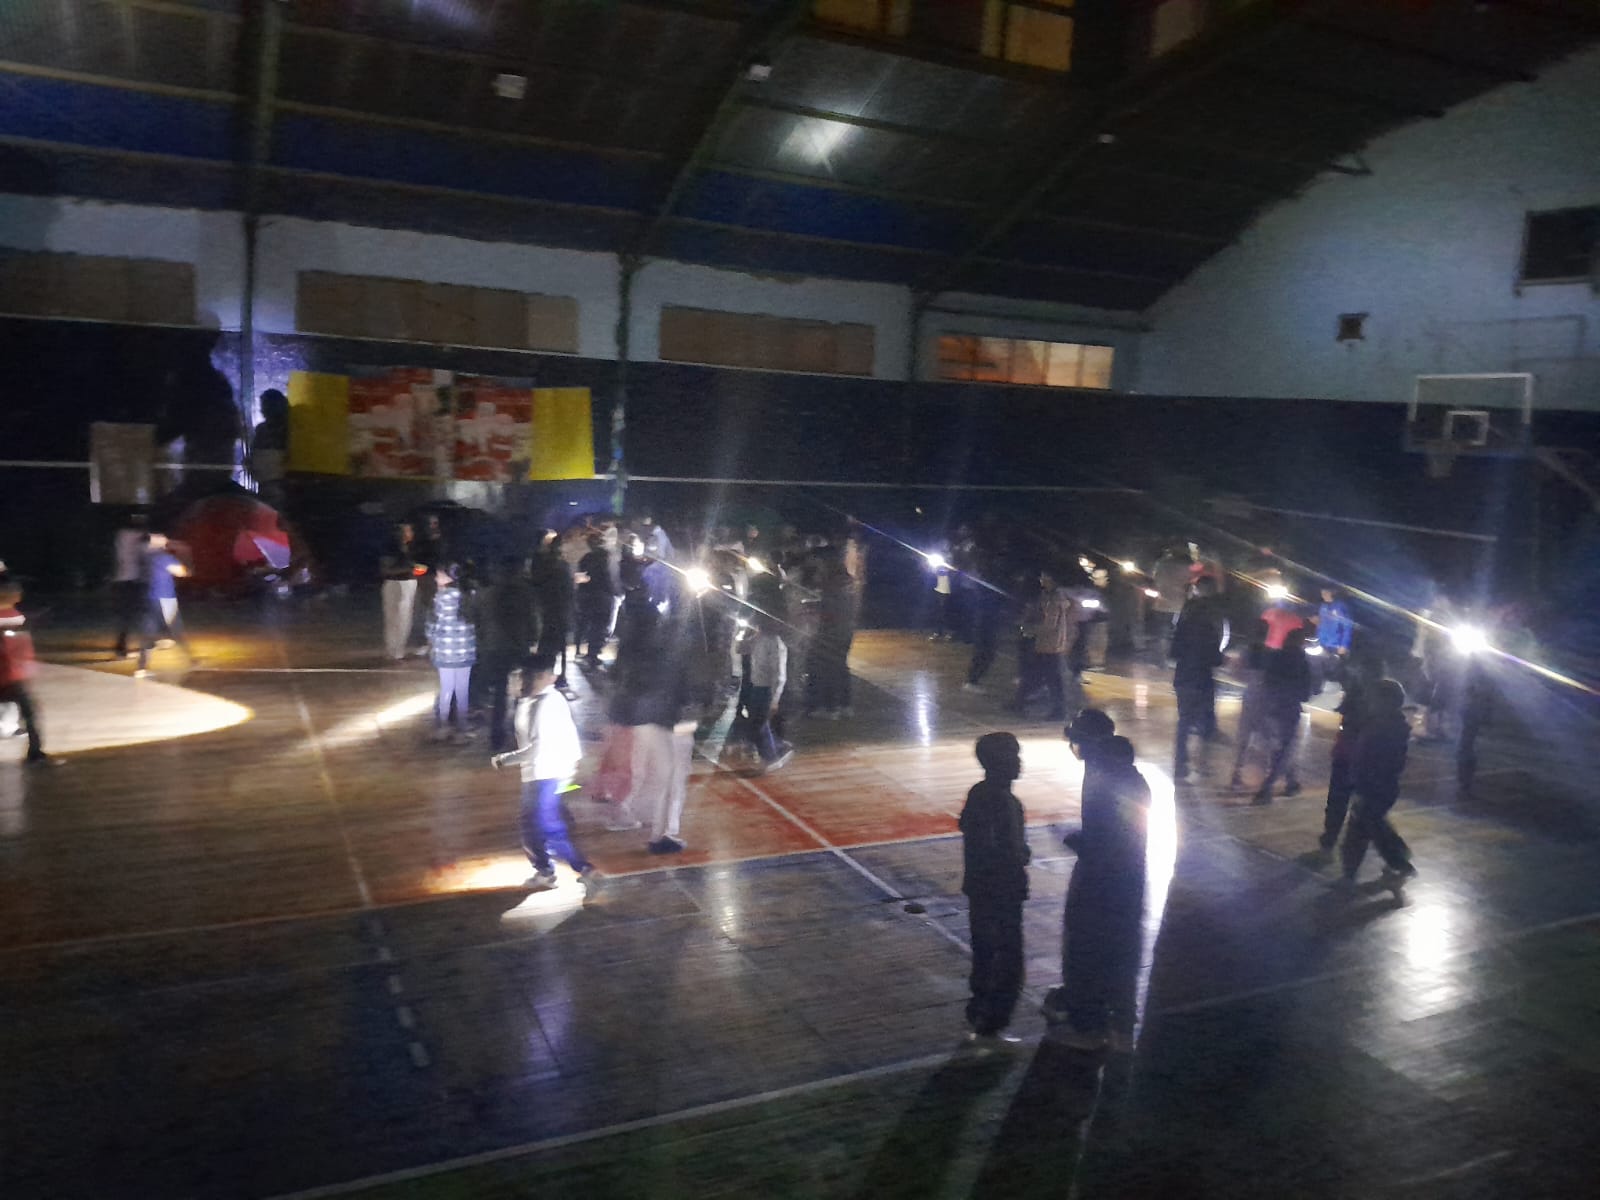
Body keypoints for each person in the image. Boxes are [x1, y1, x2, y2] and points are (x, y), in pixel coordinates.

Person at [1047, 725, 1148, 1052]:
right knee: (1122, 954)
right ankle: (1120, 1026)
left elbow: (1107, 841)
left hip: (1103, 886)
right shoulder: (1132, 784)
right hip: (1125, 886)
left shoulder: (1110, 789)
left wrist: (1074, 840)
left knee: (1089, 951)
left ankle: (1090, 1028)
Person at [490, 653, 595, 893]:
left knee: (540, 825)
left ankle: (574, 869)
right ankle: (555, 869)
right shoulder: (535, 700)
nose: (513, 683)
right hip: (548, 772)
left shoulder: (545, 703)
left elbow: (537, 748)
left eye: (517, 678)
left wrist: (504, 760)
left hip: (545, 773)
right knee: (542, 823)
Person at [959, 732, 1029, 1049]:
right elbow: (1006, 850)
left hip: (981, 888)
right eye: (1013, 757)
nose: (1019, 763)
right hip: (1000, 889)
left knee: (986, 952)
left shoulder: (979, 794)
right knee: (1005, 956)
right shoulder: (1004, 803)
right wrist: (1020, 856)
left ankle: (980, 1013)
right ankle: (992, 1022)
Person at [1338, 678, 1416, 889]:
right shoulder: (1384, 724)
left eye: (1374, 698)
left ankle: (1398, 862)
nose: (1370, 701)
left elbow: (1375, 760)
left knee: (1365, 829)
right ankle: (1397, 861)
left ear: (1385, 701)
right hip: (1375, 786)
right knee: (1370, 827)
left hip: (1374, 786)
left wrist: (1362, 783)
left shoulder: (1385, 729)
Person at [1314, 653, 1380, 855]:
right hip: (1365, 757)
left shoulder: (1358, 693)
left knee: (1338, 799)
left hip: (1349, 753)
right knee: (1361, 804)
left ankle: (1330, 838)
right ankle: (1352, 843)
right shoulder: (1377, 697)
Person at [1169, 577, 1227, 783]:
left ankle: (1181, 762)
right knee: (1205, 719)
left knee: (1184, 720)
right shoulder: (1210, 625)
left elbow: (1173, 651)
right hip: (1202, 678)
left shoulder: (1184, 621)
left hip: (1183, 675)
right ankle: (1202, 764)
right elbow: (1216, 657)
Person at [0, 577, 63, 767]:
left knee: (29, 713)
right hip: (12, 677)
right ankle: (35, 754)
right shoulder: (17, 618)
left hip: (11, 676)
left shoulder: (17, 617)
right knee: (30, 714)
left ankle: (35, 752)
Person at [477, 557, 537, 753]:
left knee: (499, 694)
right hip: (518, 645)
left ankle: (497, 736)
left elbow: (479, 621)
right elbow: (532, 620)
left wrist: (483, 642)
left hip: (495, 647)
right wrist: (533, 639)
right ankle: (521, 732)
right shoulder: (524, 593)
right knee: (523, 691)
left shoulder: (488, 594)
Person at [1253, 627, 1315, 804]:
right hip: (1289, 708)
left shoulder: (1276, 657)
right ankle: (1267, 788)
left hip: (1271, 705)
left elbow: (1266, 680)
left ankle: (1291, 781)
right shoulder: (1302, 662)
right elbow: (1305, 693)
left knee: (1279, 747)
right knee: (1285, 748)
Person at [425, 563, 476, 743]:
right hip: (465, 651)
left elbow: (431, 626)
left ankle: (442, 727)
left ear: (448, 578)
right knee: (462, 691)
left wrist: (431, 644)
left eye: (439, 575)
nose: (435, 578)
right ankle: (462, 730)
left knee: (446, 689)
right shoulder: (467, 597)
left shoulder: (439, 598)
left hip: (444, 651)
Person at [135, 533, 194, 675]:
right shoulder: (164, 557)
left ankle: (141, 667)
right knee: (176, 628)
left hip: (151, 597)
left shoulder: (147, 556)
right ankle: (190, 659)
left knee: (148, 632)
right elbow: (181, 572)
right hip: (166, 598)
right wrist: (185, 557)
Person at [743, 616, 792, 772]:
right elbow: (740, 649)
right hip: (757, 686)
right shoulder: (757, 639)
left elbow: (779, 674)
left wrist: (775, 698)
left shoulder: (776, 644)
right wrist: (748, 637)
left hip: (767, 689)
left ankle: (771, 756)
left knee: (759, 723)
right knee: (755, 722)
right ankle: (778, 746)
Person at [530, 531, 576, 696]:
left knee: (548, 644)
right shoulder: (562, 566)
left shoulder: (542, 564)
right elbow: (568, 590)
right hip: (560, 609)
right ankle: (560, 678)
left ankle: (543, 674)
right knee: (560, 645)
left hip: (547, 609)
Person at [379, 522, 421, 662]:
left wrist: (417, 571)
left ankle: (398, 650)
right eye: (405, 531)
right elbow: (385, 570)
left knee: (404, 617)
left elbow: (422, 567)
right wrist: (409, 569)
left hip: (408, 584)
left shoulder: (415, 549)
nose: (408, 534)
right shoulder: (390, 549)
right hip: (393, 583)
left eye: (409, 531)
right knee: (392, 617)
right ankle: (391, 649)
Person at [574, 533, 616, 668]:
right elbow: (610, 578)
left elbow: (581, 578)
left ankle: (586, 652)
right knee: (599, 626)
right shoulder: (606, 557)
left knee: (589, 625)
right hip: (602, 596)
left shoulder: (586, 559)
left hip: (590, 595)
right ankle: (593, 653)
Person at [111, 512, 148, 659]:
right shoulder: (139, 536)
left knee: (125, 614)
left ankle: (121, 646)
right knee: (138, 612)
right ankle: (124, 646)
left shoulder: (121, 535)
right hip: (133, 580)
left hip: (121, 578)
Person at [250, 388, 290, 511]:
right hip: (264, 485)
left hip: (283, 486)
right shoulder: (261, 430)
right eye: (262, 406)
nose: (262, 410)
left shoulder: (290, 430)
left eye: (265, 406)